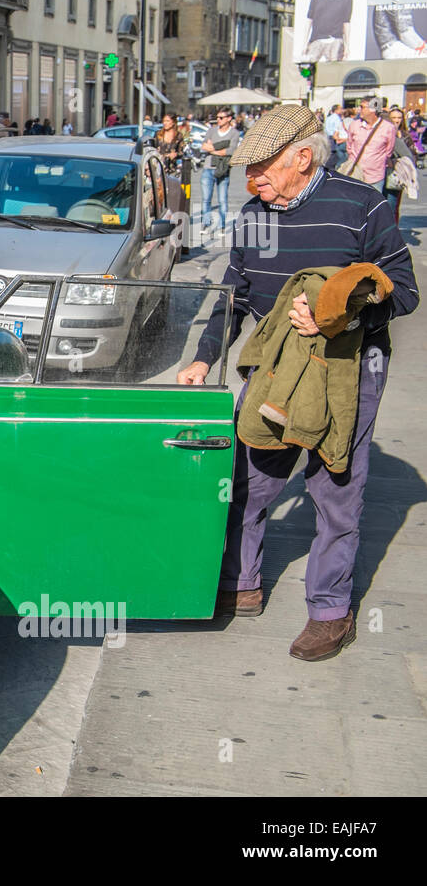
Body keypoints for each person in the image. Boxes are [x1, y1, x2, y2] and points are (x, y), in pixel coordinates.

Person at [176, 105, 419, 661]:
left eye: (261, 167)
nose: (250, 180)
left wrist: (345, 316)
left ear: (302, 158)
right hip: (276, 366)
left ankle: (331, 611)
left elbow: (403, 291)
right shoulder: (255, 216)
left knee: (336, 490)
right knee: (249, 477)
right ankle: (241, 582)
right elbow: (232, 295)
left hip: (349, 367)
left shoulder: (363, 207)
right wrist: (204, 357)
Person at [201, 108, 240, 233]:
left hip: (223, 169)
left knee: (222, 199)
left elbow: (231, 151)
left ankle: (221, 225)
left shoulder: (234, 133)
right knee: (206, 198)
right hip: (208, 167)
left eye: (221, 117)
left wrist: (212, 149)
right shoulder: (212, 130)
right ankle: (206, 223)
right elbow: (203, 146)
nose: (218, 120)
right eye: (217, 117)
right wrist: (221, 147)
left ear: (229, 118)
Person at [345, 95, 396, 187]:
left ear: (373, 109)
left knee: (374, 201)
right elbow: (349, 146)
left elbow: (388, 151)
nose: (359, 110)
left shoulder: (388, 128)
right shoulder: (354, 125)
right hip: (355, 174)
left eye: (362, 107)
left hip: (375, 177)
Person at [382, 106, 417, 222]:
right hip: (382, 173)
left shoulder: (405, 135)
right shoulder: (387, 133)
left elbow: (411, 155)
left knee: (394, 206)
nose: (397, 120)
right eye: (394, 118)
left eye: (399, 118)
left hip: (396, 174)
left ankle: (392, 232)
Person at [324, 103, 349, 168]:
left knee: (330, 154)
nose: (342, 110)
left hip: (328, 137)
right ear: (336, 110)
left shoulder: (329, 117)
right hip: (335, 138)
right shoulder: (337, 118)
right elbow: (338, 129)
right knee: (337, 156)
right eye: (340, 109)